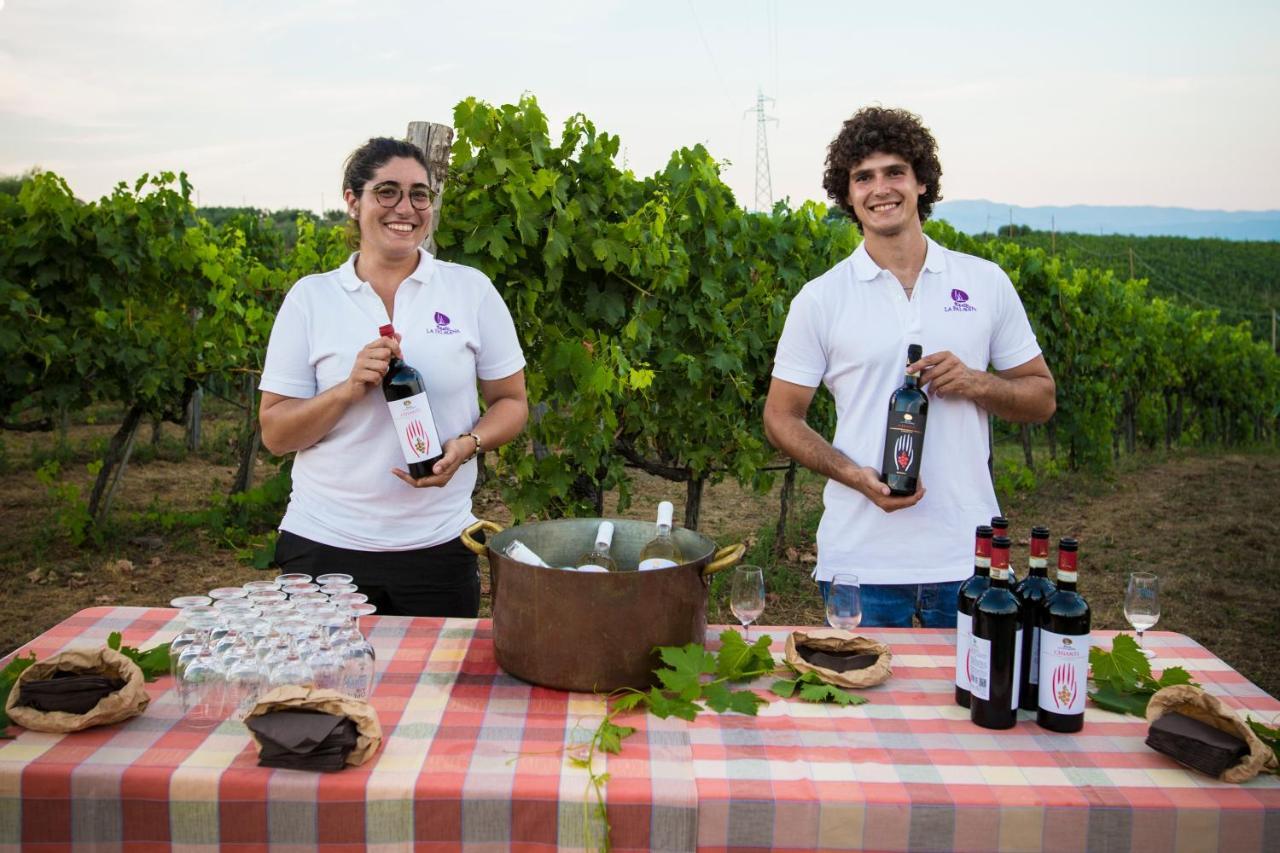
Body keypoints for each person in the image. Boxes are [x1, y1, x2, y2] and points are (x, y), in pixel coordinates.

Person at [762, 107, 1056, 628]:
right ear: (848, 195)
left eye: (894, 171)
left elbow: (1041, 397)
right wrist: (854, 475)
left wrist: (975, 382)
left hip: (969, 558)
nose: (881, 189)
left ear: (921, 182)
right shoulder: (821, 298)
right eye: (863, 178)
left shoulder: (985, 282)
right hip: (859, 561)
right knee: (860, 709)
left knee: (973, 705)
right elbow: (781, 417)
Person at [259, 137, 529, 617]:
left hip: (439, 545)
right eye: (387, 192)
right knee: (320, 692)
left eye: (419, 194)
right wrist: (346, 391)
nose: (405, 207)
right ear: (352, 200)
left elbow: (511, 402)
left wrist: (468, 444)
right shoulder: (311, 299)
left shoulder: (470, 290)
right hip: (324, 546)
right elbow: (276, 434)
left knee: (432, 692)